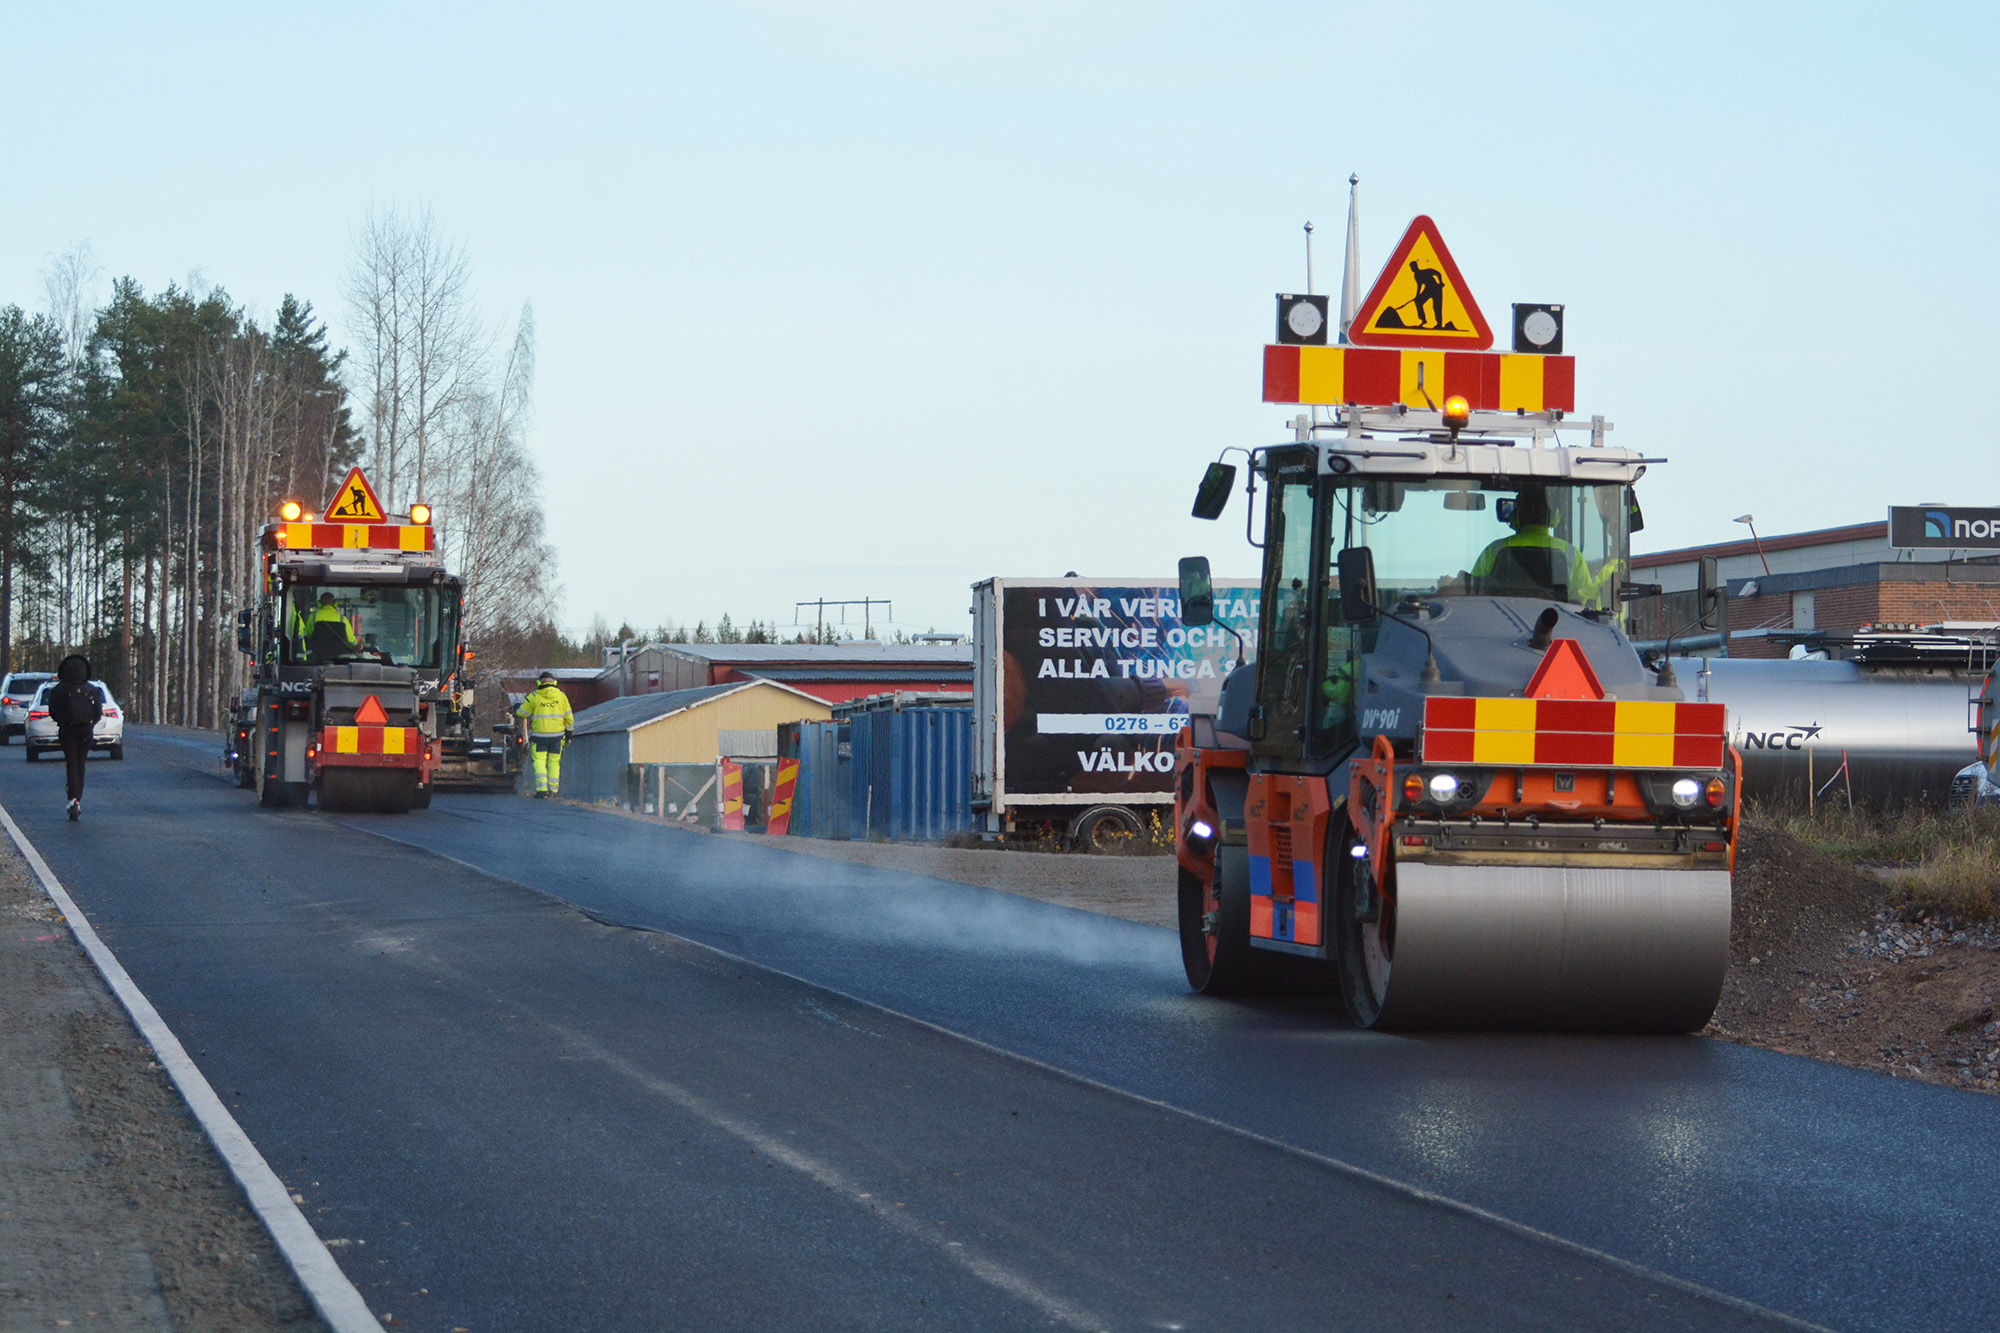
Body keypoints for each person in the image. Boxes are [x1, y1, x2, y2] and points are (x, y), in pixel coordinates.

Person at [1471, 486, 1598, 604]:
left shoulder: (1495, 549)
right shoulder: (1572, 554)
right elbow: (1582, 600)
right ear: (1554, 516)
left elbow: (1474, 590)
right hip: (1557, 624)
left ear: (1516, 515)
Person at [47, 654, 102, 822]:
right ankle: (78, 797)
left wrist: (63, 722)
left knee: (71, 763)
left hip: (67, 731)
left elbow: (52, 712)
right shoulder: (92, 689)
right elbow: (98, 713)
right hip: (86, 731)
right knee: (81, 764)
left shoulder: (59, 689)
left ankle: (72, 799)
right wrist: (90, 725)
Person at [515, 670, 574, 799]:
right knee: (554, 762)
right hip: (557, 737)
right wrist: (569, 734)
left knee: (539, 762)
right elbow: (569, 718)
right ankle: (553, 790)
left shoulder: (534, 696)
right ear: (554, 682)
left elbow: (522, 713)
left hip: (539, 737)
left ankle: (542, 790)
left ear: (539, 682)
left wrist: (517, 708)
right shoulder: (561, 696)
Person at [294, 591, 356, 662]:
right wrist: (357, 645)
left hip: (318, 656)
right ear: (335, 604)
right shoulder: (342, 618)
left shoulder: (313, 616)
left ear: (319, 603)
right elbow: (351, 640)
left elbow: (309, 635)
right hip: (339, 658)